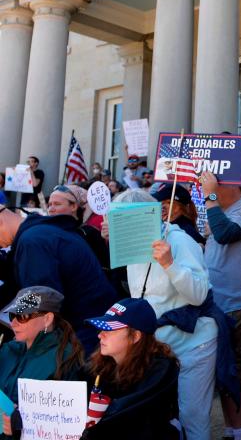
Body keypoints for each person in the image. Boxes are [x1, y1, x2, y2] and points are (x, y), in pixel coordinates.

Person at [101, 186, 217, 440]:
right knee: (156, 413)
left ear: (150, 217)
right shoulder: (132, 244)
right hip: (157, 345)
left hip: (193, 344)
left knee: (192, 415)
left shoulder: (180, 241)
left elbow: (198, 294)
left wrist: (169, 264)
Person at [201, 171, 241, 440]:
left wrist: (210, 196)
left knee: (237, 372)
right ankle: (233, 429)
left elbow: (226, 234)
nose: (209, 187)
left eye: (215, 183)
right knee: (224, 372)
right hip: (218, 302)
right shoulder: (218, 209)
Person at [0, 205, 116, 355]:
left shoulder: (33, 242)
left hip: (81, 338)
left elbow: (41, 303)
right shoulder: (43, 232)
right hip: (92, 328)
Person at [83, 298, 180, 439]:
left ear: (135, 336)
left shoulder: (161, 367)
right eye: (101, 328)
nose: (100, 335)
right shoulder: (103, 364)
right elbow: (73, 387)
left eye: (109, 329)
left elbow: (124, 412)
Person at [0, 287, 85, 439]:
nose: (13, 323)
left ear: (47, 319)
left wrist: (19, 427)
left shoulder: (65, 359)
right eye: (12, 315)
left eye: (23, 316)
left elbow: (65, 426)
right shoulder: (8, 350)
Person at [47, 184, 109, 270]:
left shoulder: (89, 234)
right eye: (49, 204)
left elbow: (105, 268)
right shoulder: (47, 232)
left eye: (57, 204)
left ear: (73, 206)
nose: (51, 209)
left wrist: (110, 241)